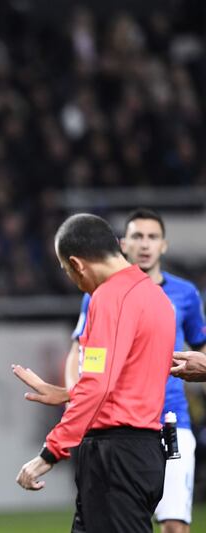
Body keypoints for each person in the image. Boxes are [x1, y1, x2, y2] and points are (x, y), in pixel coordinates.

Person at [13, 213, 175, 533]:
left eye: (67, 270)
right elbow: (125, 381)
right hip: (142, 452)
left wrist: (50, 452)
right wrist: (68, 393)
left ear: (77, 264)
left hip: (115, 458)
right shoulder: (155, 297)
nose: (74, 280)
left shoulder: (109, 297)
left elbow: (98, 385)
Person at [63, 208, 205, 533]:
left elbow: (200, 345)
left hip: (173, 419)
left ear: (164, 246)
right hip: (121, 428)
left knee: (173, 525)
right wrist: (76, 396)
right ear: (122, 244)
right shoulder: (100, 295)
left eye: (152, 237)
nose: (145, 244)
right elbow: (79, 351)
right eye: (137, 236)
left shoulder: (185, 294)